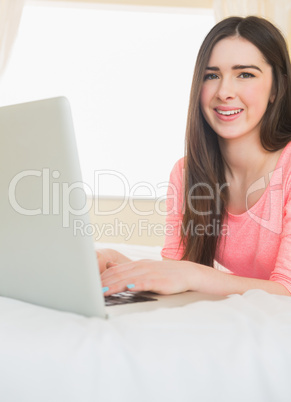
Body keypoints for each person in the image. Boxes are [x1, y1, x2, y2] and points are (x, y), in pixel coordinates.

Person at [99, 16, 291, 297]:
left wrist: (194, 273)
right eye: (211, 75)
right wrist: (114, 261)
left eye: (245, 74)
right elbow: (177, 273)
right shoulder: (188, 173)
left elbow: (286, 290)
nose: (224, 92)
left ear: (276, 88)